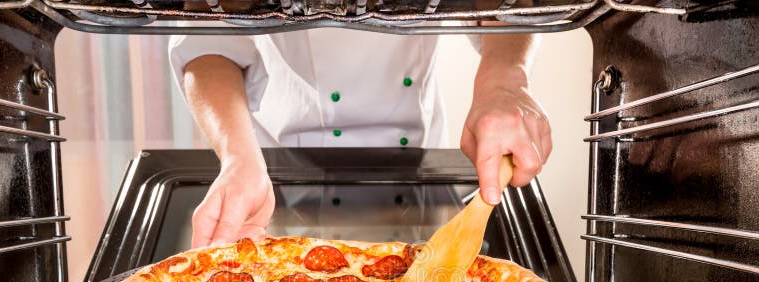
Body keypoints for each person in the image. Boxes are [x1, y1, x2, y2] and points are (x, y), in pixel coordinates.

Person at [169, 26, 551, 248]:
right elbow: (208, 44)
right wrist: (238, 157)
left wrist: (504, 81)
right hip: (280, 176)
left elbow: (507, 9)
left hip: (420, 169)